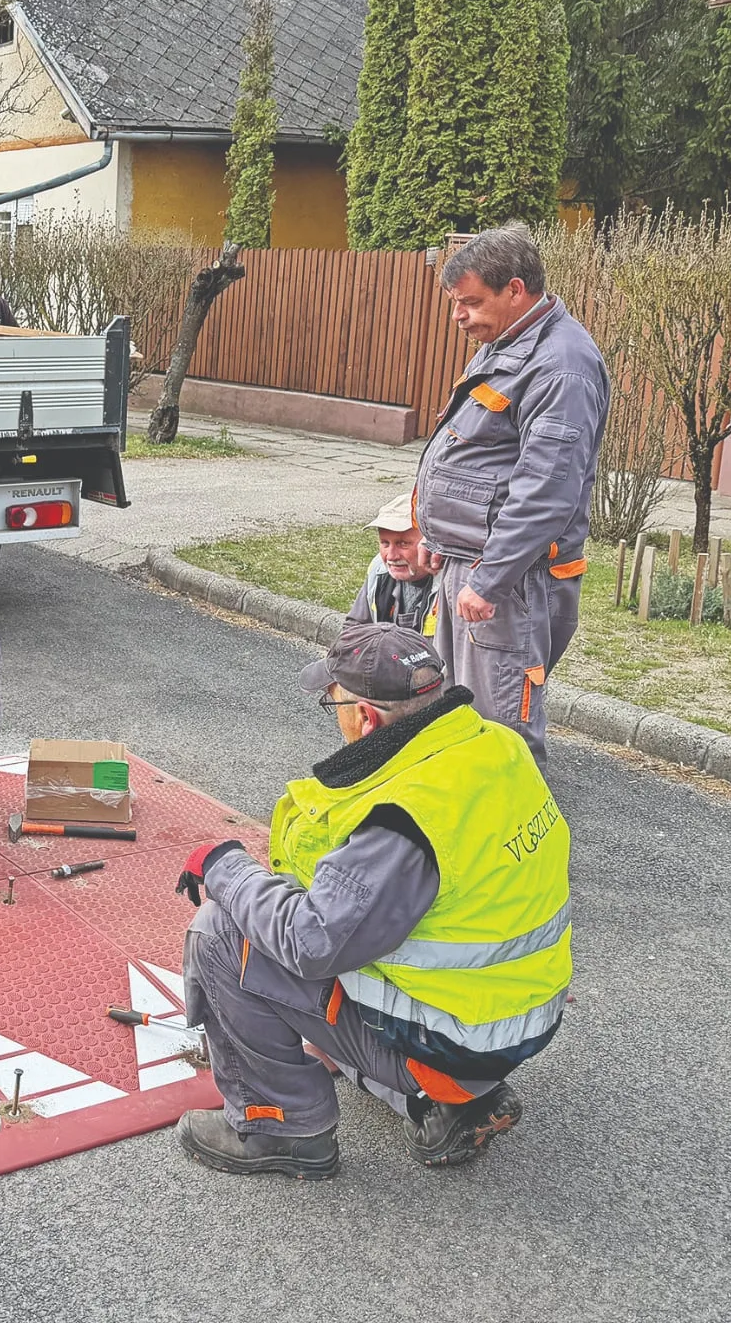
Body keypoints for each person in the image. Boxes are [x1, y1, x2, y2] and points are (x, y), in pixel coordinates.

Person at [172, 621, 571, 1181]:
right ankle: (444, 1102)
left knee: (220, 932)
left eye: (332, 699)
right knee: (327, 966)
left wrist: (223, 868)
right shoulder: (495, 747)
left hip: (457, 1040)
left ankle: (281, 1127)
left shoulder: (403, 821)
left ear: (366, 718)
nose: (330, 709)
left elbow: (309, 943)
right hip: (520, 1012)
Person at [412, 222, 609, 763]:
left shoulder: (562, 366)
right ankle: (463, 837)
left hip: (508, 581)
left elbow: (546, 490)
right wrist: (437, 536)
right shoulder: (508, 340)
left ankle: (511, 845)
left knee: (500, 733)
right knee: (455, 716)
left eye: (471, 303)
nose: (459, 318)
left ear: (515, 290)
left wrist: (492, 577)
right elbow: (477, 451)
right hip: (470, 564)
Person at [349, 493, 438, 635]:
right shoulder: (378, 568)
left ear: (431, 542)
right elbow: (354, 628)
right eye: (385, 543)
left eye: (403, 544)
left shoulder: (451, 584)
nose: (391, 556)